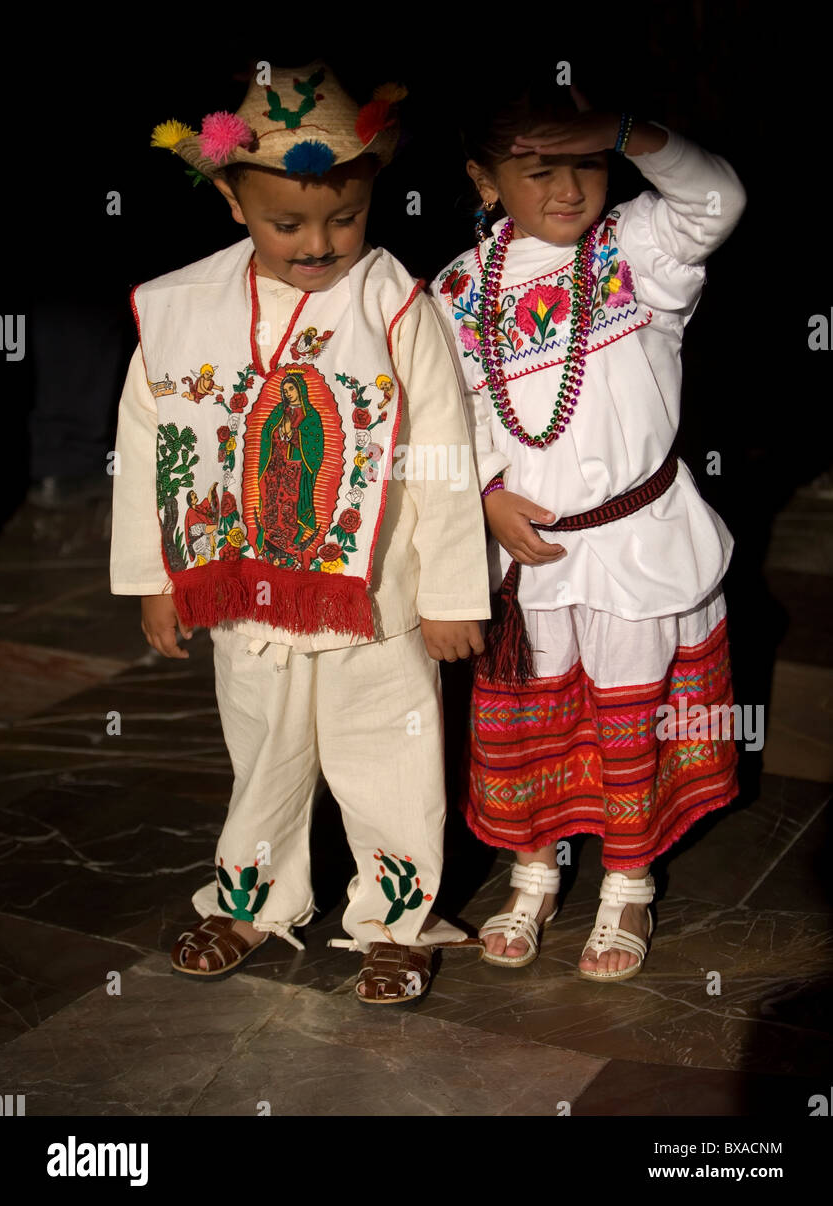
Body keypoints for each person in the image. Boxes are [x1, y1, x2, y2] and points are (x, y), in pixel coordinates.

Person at [110, 62, 490, 1003]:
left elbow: (442, 448)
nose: (321, 244)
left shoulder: (395, 303)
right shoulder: (180, 308)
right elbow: (151, 439)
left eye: (345, 219)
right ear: (234, 200)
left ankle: (397, 921)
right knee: (263, 749)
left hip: (375, 596)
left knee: (388, 760)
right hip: (247, 590)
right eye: (290, 224)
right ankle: (251, 900)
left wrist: (448, 593)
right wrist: (159, 576)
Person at [432, 75, 746, 981]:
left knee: (627, 720)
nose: (568, 189)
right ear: (484, 181)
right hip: (530, 561)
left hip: (638, 546)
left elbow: (719, 195)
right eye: (537, 170)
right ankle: (533, 874)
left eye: (586, 163)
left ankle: (627, 883)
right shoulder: (455, 288)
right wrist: (486, 494)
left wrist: (626, 128)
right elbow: (448, 415)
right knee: (535, 721)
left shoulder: (637, 251)